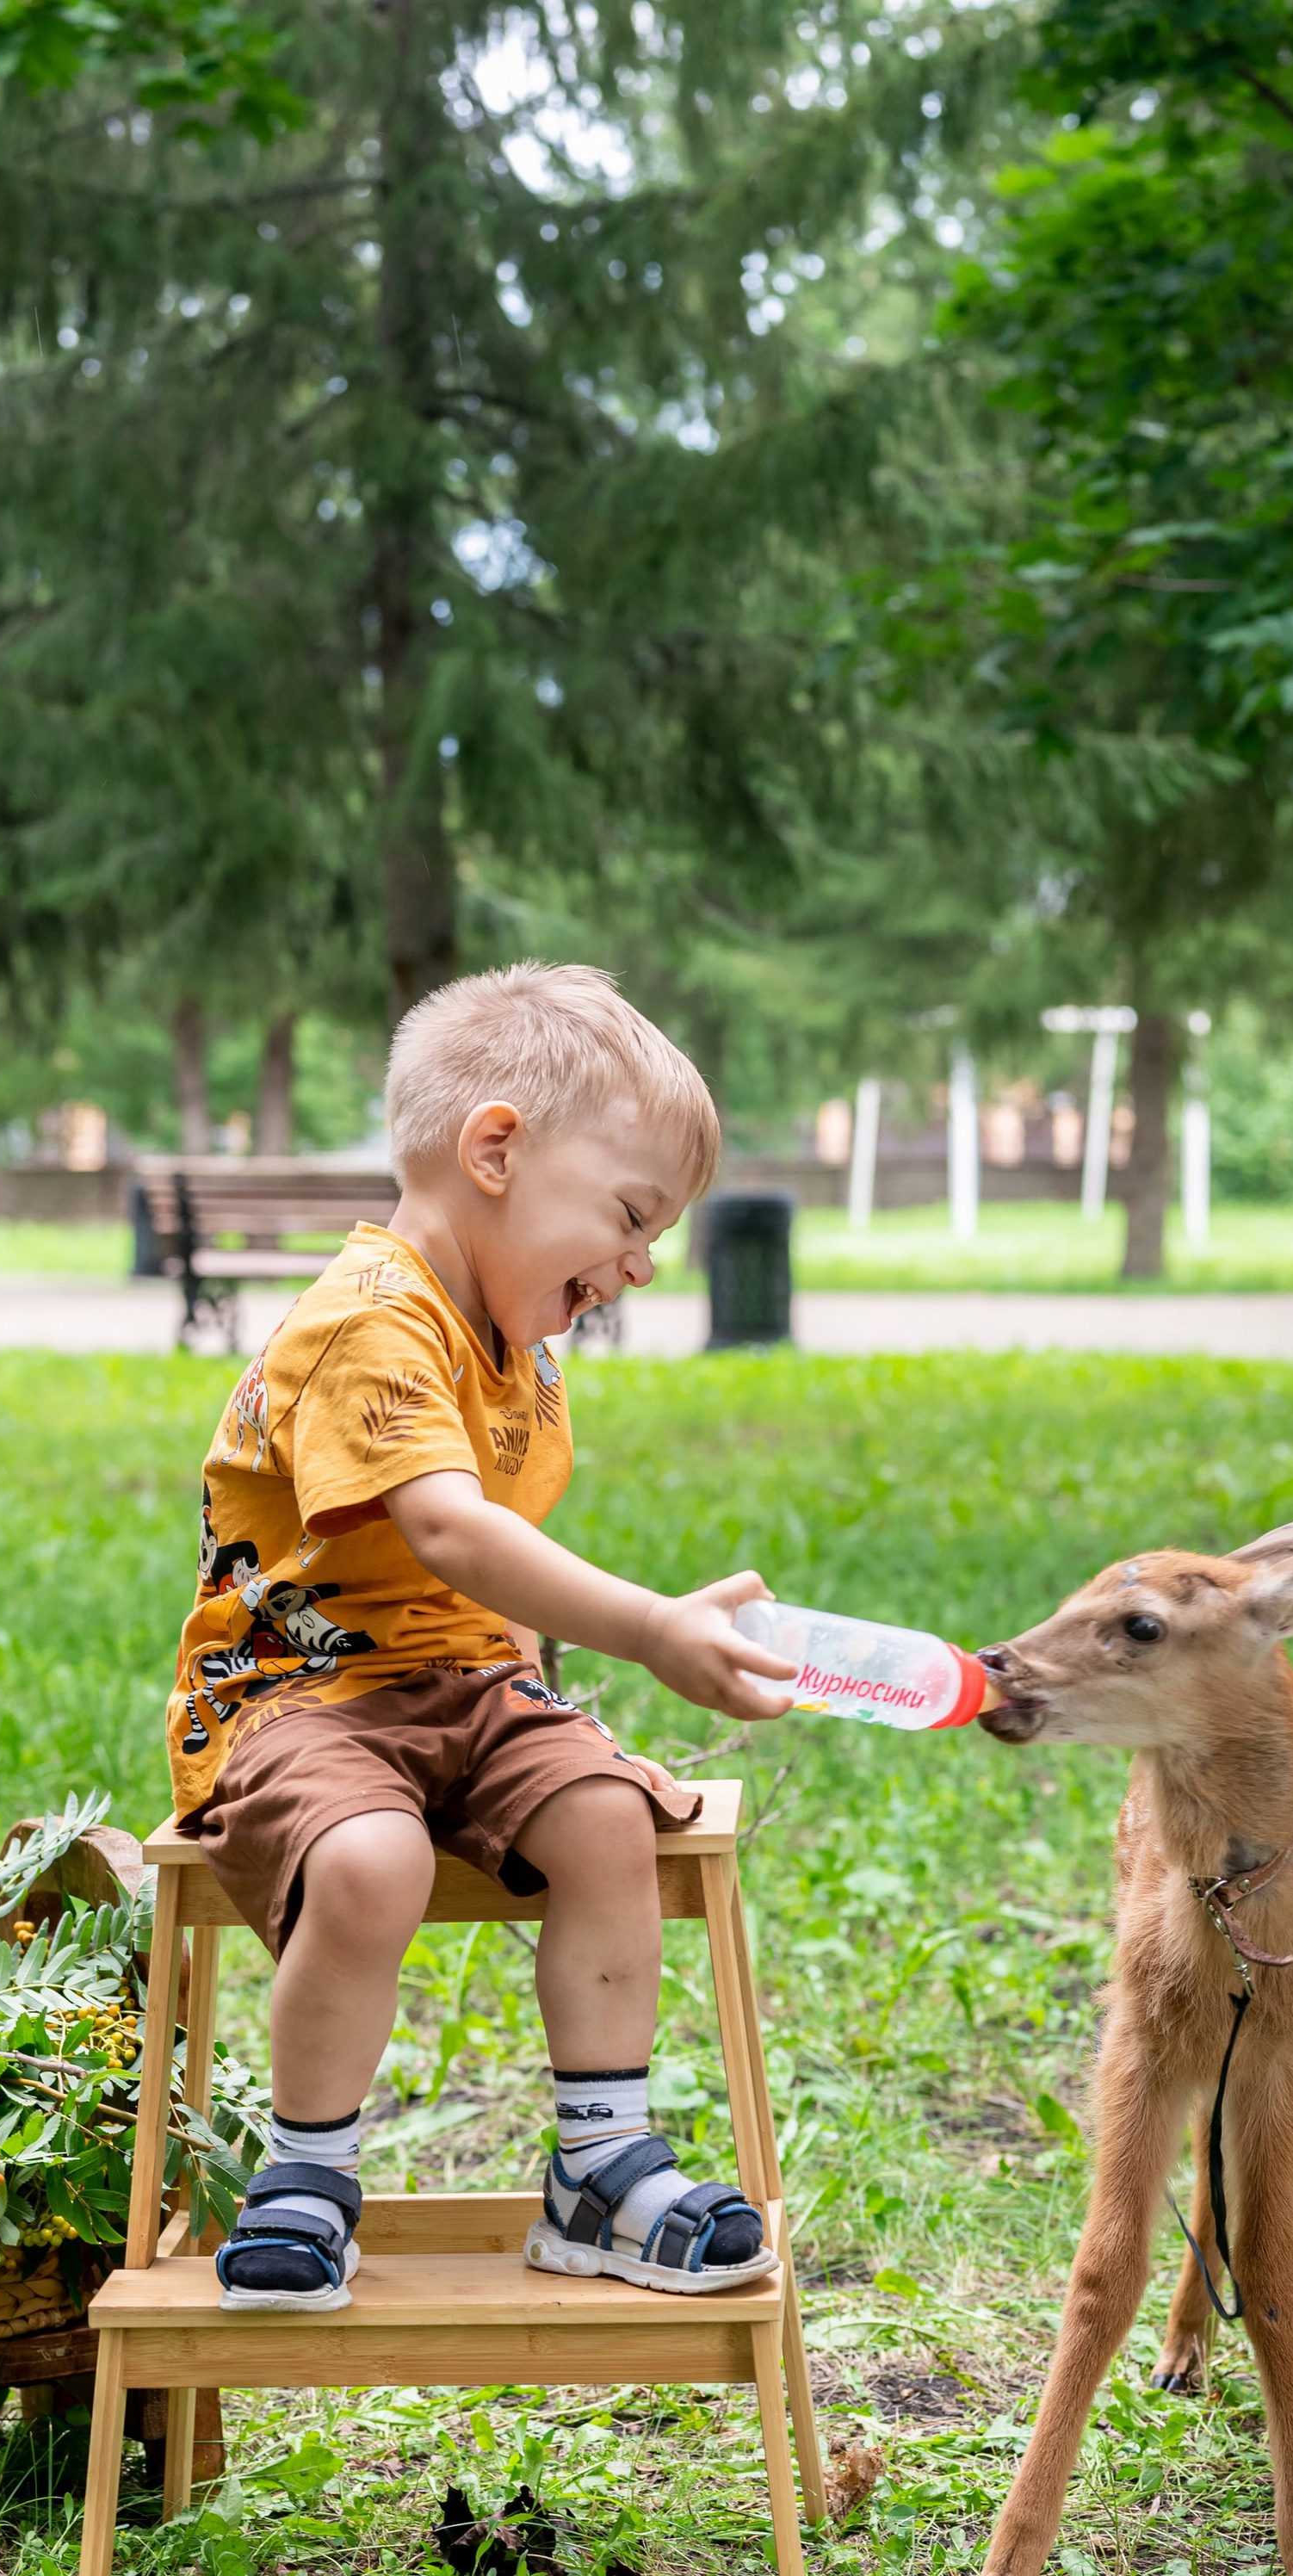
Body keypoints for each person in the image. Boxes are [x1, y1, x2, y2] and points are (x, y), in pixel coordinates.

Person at [166, 962, 796, 2313]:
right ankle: (307, 2171)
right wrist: (648, 1628)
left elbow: (486, 1572)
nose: (636, 1267)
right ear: (495, 1150)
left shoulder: (518, 1334)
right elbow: (450, 1530)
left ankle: (599, 2164)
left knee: (608, 1825)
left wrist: (543, 1698)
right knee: (373, 1858)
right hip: (304, 1696)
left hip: (467, 1686)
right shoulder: (370, 1316)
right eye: (629, 1218)